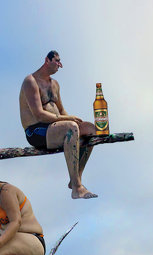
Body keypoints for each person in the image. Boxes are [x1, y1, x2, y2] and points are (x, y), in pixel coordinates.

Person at [19, 50, 97, 199]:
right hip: (36, 131)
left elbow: (61, 110)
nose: (60, 65)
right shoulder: (30, 81)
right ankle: (77, 188)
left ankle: (76, 178)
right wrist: (68, 121)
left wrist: (74, 120)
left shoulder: (55, 84)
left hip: (55, 127)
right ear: (47, 61)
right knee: (71, 127)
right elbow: (39, 114)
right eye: (57, 61)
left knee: (90, 129)